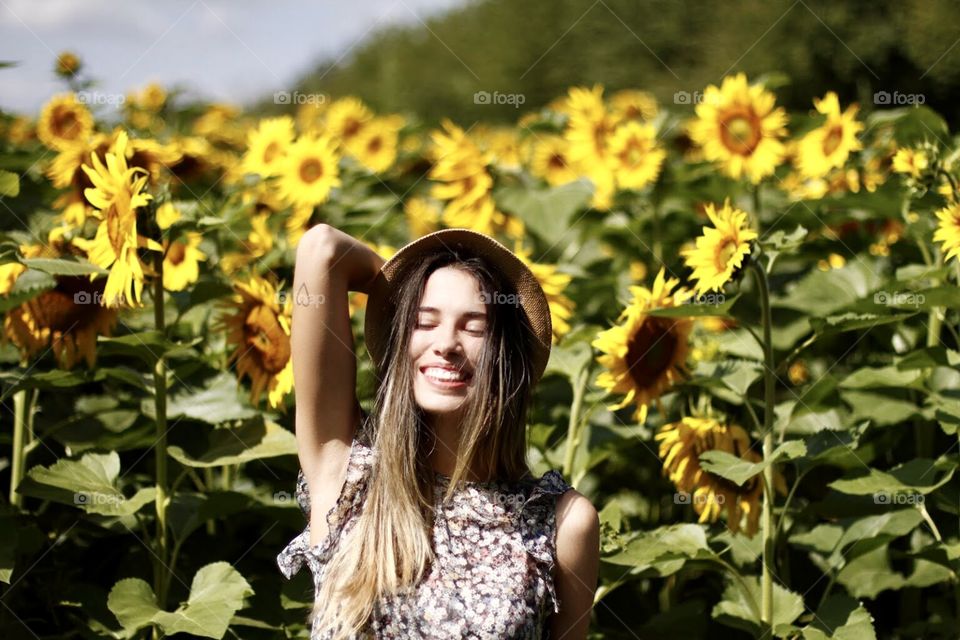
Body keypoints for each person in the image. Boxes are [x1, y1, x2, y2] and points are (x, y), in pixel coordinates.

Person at [277, 224, 599, 639]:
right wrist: (395, 286)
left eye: (474, 326)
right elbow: (323, 248)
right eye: (423, 322)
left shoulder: (561, 523)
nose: (446, 343)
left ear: (507, 358)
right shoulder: (349, 476)